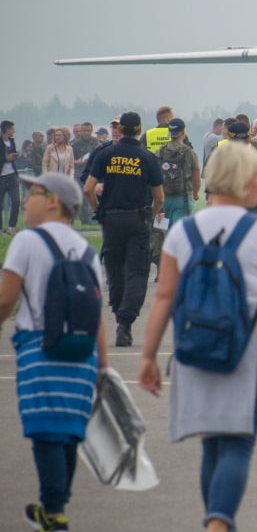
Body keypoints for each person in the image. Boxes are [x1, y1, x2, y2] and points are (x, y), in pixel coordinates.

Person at [138, 142, 257, 532]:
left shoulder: (183, 231)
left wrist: (148, 356)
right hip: (249, 344)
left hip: (195, 344)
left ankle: (214, 519)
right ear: (242, 179)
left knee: (212, 441)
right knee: (238, 441)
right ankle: (219, 522)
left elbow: (164, 297)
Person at [0, 172, 109, 532]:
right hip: (81, 353)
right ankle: (57, 505)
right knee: (69, 428)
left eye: (32, 194)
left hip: (39, 348)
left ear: (53, 201)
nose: (26, 201)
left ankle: (55, 510)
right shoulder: (86, 250)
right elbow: (97, 314)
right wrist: (102, 366)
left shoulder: (27, 241)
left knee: (45, 428)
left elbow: (5, 298)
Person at [84, 111, 164, 347]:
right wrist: (150, 213)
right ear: (139, 130)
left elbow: (89, 188)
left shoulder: (105, 153)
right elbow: (159, 196)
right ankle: (125, 323)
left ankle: (119, 310)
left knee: (114, 267)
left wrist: (99, 210)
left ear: (122, 129)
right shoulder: (147, 157)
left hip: (111, 219)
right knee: (137, 271)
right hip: (137, 218)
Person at [153, 118, 202, 281]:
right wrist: (195, 192)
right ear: (182, 132)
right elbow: (196, 177)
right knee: (181, 235)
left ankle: (162, 270)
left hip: (162, 201)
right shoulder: (189, 152)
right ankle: (181, 270)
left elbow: (154, 178)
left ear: (170, 132)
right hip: (183, 200)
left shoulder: (159, 152)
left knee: (161, 235)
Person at [1, 120, 20, 234]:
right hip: (1, 177)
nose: (14, 131)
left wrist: (14, 156)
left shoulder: (12, 141)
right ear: (7, 129)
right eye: (13, 129)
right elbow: (4, 158)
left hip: (12, 175)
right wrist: (5, 159)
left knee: (16, 200)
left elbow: (11, 155)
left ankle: (11, 227)